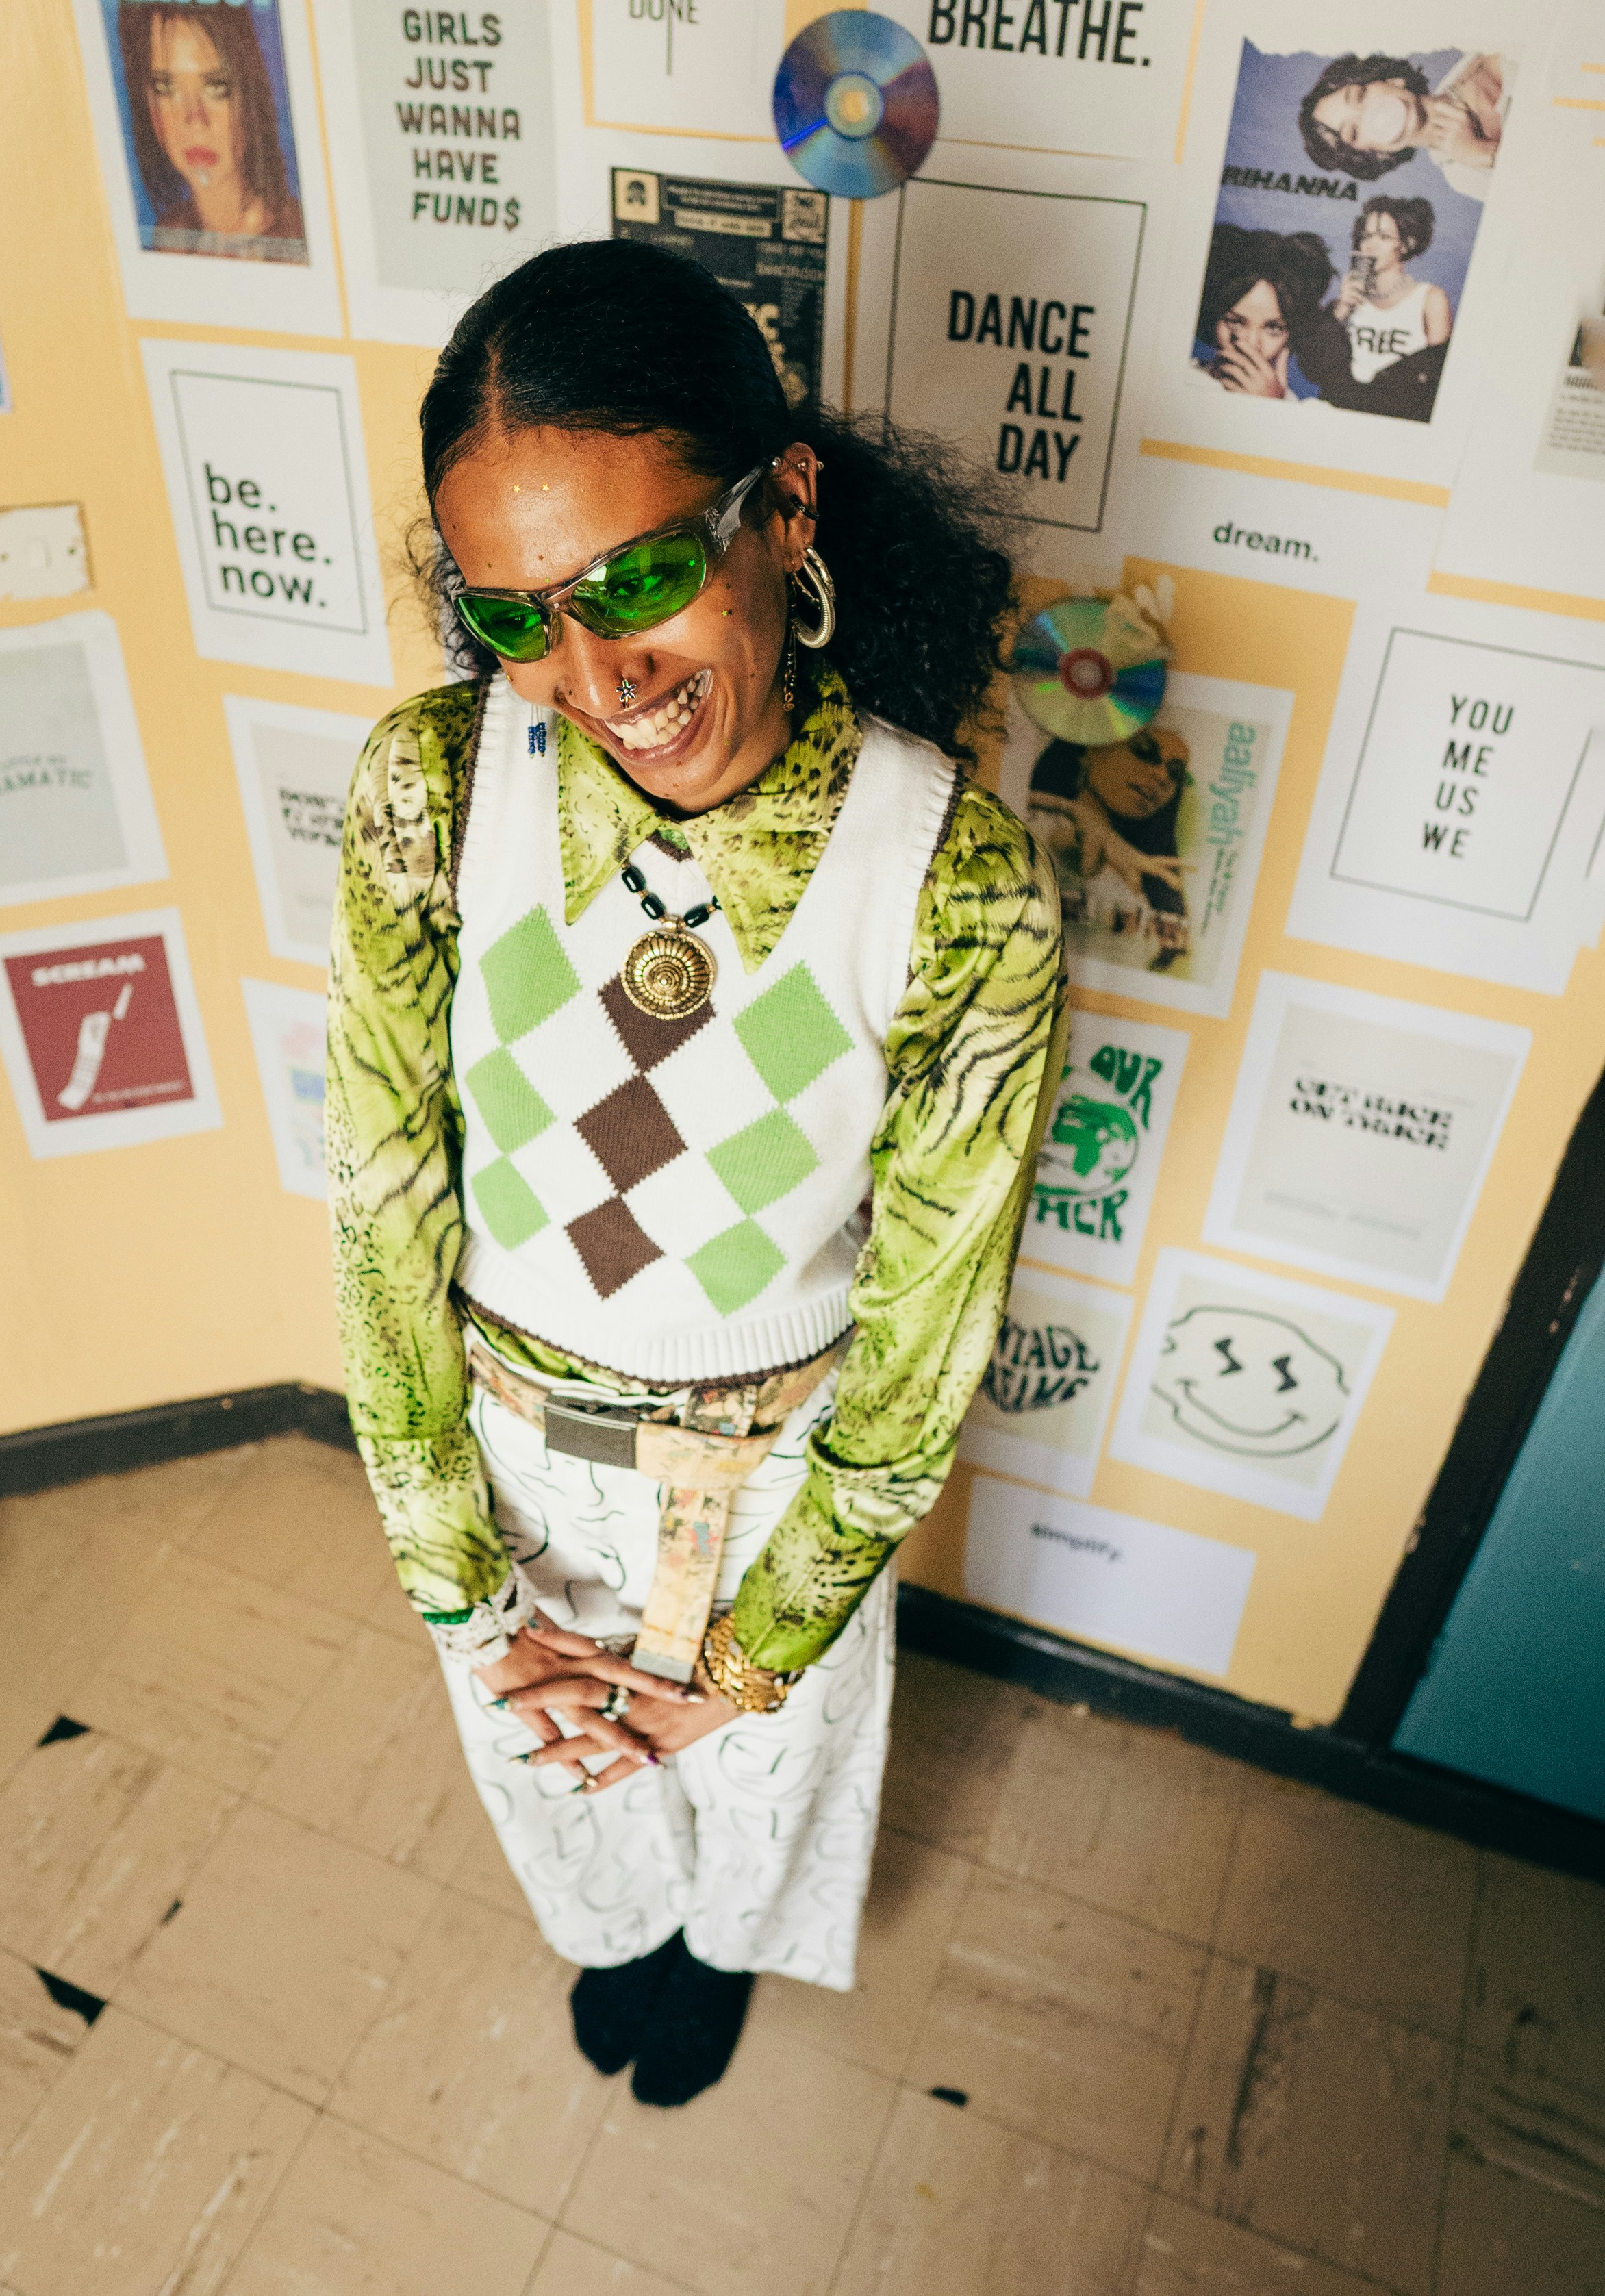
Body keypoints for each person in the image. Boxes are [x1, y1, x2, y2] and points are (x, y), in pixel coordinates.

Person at [326, 239, 1065, 2106]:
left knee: (761, 1774)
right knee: (550, 1765)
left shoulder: (951, 876)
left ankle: (715, 1952)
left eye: (640, 576)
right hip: (501, 1458)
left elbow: (922, 1330)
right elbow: (384, 1203)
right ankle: (629, 1933)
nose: (595, 674)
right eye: (515, 616)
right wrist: (462, 1588)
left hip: (780, 1481)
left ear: (783, 511)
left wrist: (757, 1647)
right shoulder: (431, 788)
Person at [117, 0, 306, 260]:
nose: (195, 119)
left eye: (217, 88)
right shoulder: (170, 234)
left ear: (250, 95)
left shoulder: (294, 242)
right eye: (166, 88)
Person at [1027, 727, 1189, 969]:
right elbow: (1069, 849)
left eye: (1175, 773)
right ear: (1093, 748)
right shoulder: (1041, 823)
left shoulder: (1145, 895)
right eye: (1144, 752)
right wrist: (1078, 814)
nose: (1162, 776)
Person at [1298, 50, 1512, 202]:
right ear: (1378, 155)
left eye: (1360, 96)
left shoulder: (1488, 59)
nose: (1369, 115)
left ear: (1392, 81)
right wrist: (1483, 153)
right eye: (1353, 132)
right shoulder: (1462, 177)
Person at [1191, 224, 1333, 399]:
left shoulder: (1309, 412)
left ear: (1292, 336)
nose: (1251, 344)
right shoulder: (1181, 381)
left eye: (1273, 329)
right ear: (1213, 320)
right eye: (1235, 323)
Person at [1330, 197, 1450, 388]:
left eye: (1384, 237)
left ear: (1406, 244)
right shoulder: (1348, 299)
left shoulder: (1430, 299)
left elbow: (1439, 375)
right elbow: (1319, 368)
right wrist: (1341, 310)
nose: (1371, 245)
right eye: (1366, 236)